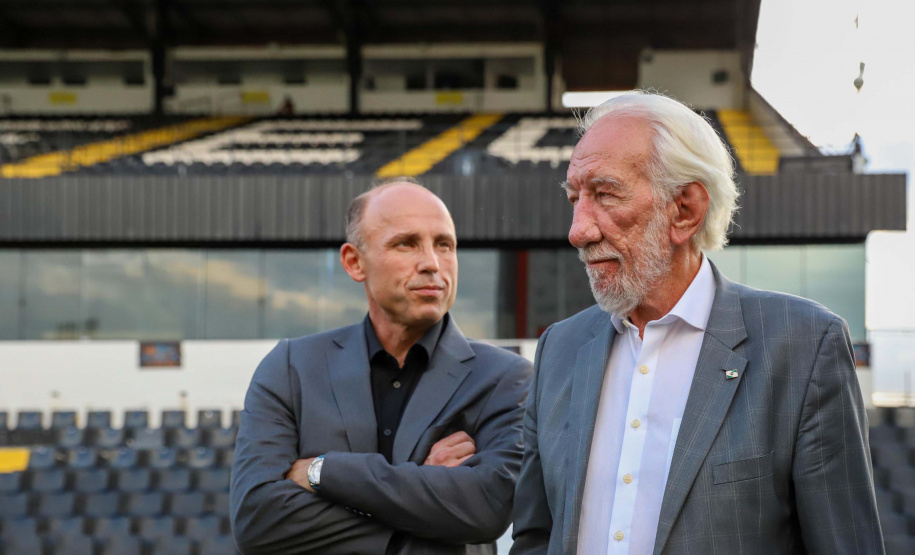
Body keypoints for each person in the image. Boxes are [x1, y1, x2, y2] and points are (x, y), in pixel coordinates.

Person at [510, 92, 883, 554]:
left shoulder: (803, 345)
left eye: (604, 195)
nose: (578, 230)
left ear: (684, 210)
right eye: (575, 198)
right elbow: (533, 539)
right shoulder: (559, 350)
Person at [231, 179, 533, 554]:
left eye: (444, 244)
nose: (431, 263)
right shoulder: (291, 367)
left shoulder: (506, 378)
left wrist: (322, 472)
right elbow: (257, 520)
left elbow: (485, 510)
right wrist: (425, 492)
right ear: (354, 262)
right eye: (406, 243)